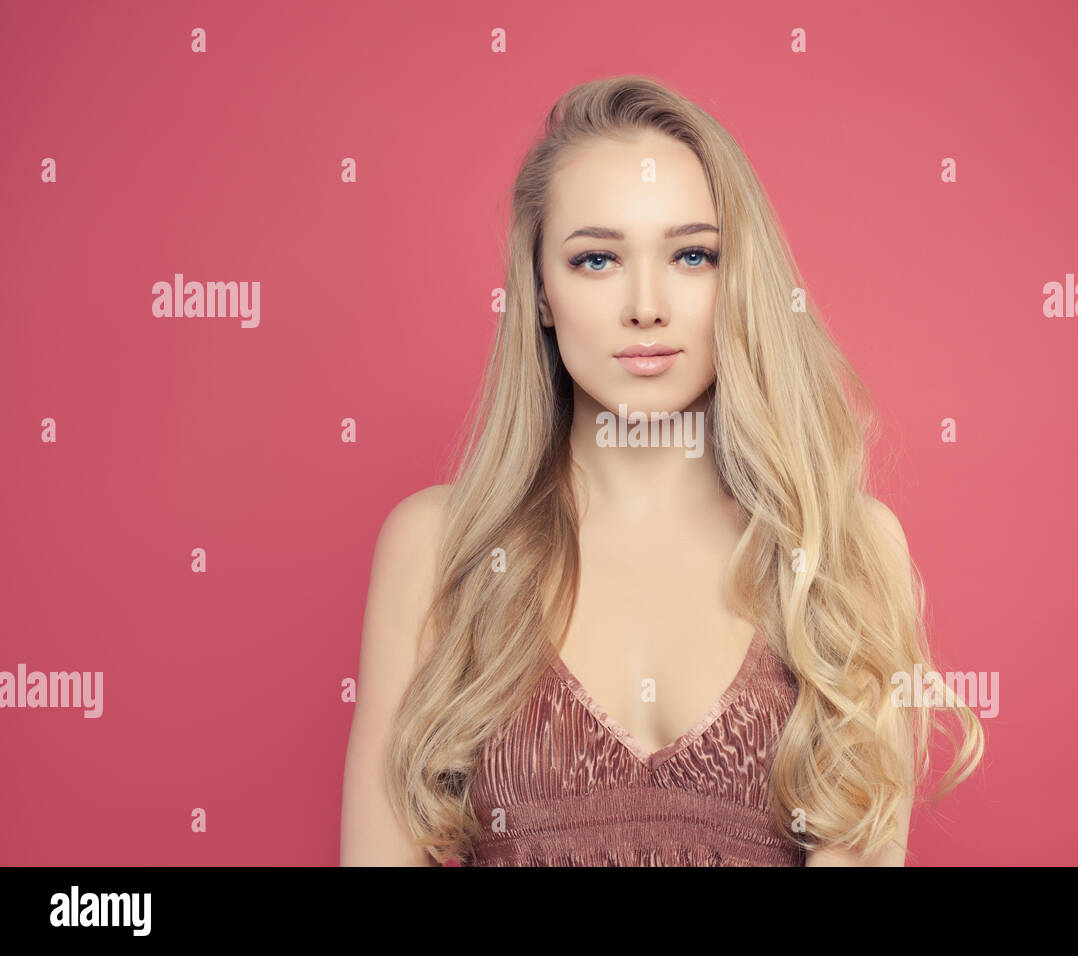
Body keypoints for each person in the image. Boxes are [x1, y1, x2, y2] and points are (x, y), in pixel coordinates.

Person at [340, 74, 984, 867]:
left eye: (690, 254)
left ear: (737, 278)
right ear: (540, 292)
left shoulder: (844, 550)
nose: (646, 305)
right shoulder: (441, 546)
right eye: (597, 259)